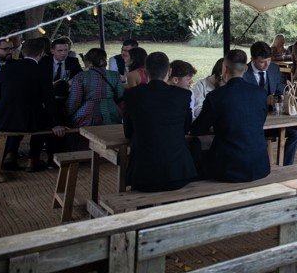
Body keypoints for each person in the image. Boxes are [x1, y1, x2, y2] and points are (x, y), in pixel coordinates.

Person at [191, 49, 270, 182]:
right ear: (245, 69)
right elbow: (259, 121)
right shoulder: (260, 93)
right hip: (259, 165)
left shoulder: (216, 96)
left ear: (225, 69)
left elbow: (198, 129)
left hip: (229, 167)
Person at [124, 52, 197, 192]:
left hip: (143, 173)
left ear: (145, 72)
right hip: (178, 171)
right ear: (169, 71)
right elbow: (186, 128)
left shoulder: (132, 94)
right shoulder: (183, 95)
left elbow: (128, 132)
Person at [0, 38, 65, 171]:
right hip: (29, 121)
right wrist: (56, 123)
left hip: (2, 119)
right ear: (41, 54)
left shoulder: (7, 68)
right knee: (44, 123)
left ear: (23, 52)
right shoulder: (42, 71)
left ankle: (10, 154)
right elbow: (49, 100)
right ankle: (33, 159)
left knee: (18, 120)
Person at [244, 41, 297, 165]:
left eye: (268, 60)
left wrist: (280, 96)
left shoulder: (274, 69)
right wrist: (262, 101)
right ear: (252, 59)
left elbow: (280, 86)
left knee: (296, 131)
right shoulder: (243, 73)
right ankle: (262, 165)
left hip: (274, 117)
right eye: (262, 62)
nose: (266, 65)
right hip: (252, 121)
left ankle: (286, 165)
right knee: (260, 138)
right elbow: (242, 100)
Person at [66, 47, 125, 129]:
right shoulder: (115, 75)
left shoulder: (81, 76)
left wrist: (65, 114)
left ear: (88, 61)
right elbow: (121, 96)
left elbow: (75, 101)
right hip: (112, 113)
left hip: (87, 115)